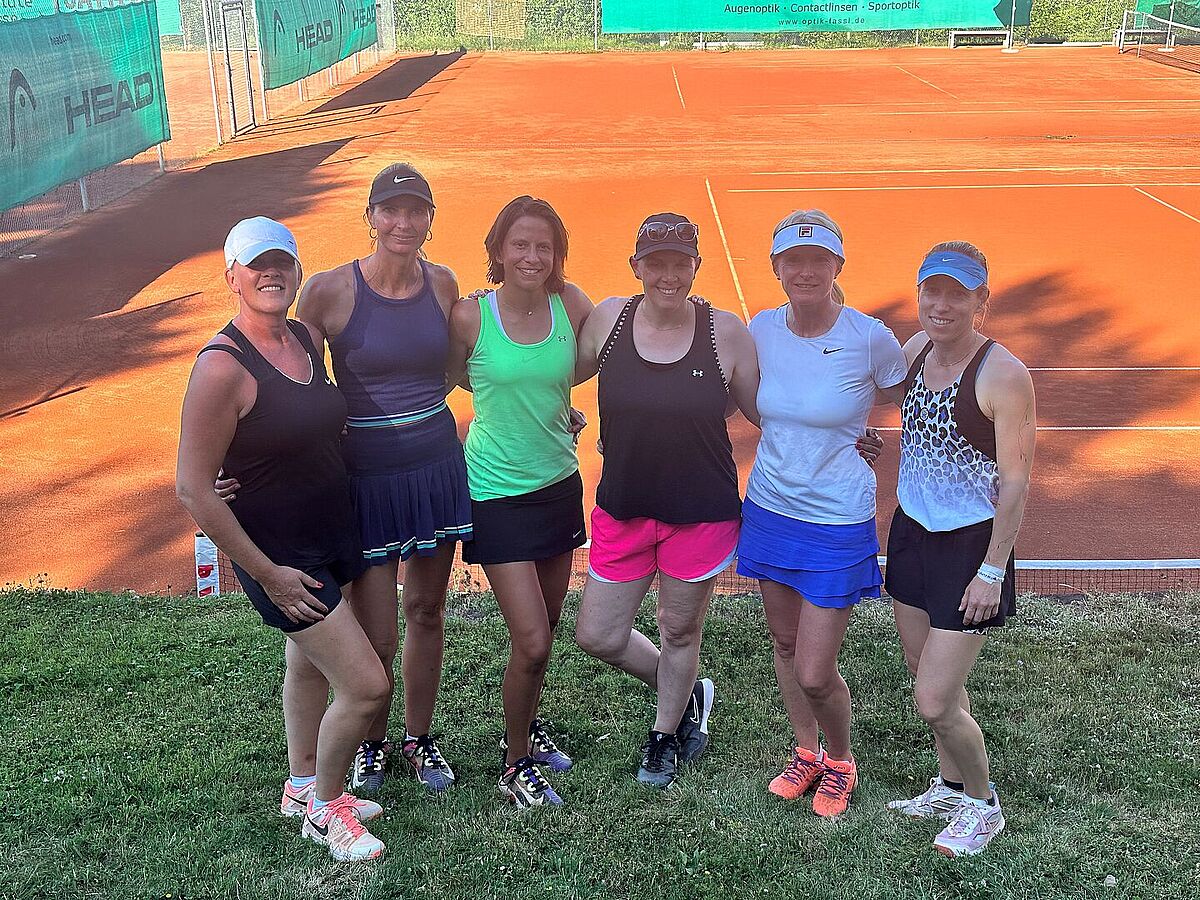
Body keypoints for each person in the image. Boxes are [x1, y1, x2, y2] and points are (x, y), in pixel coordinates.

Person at [216, 164, 472, 796]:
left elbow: (456, 370)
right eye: (391, 209)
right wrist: (234, 457)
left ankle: (419, 738)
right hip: (363, 479)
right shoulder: (328, 291)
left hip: (434, 468)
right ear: (371, 217)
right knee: (377, 635)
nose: (403, 222)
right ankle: (372, 744)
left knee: (428, 611)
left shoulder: (443, 284)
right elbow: (290, 377)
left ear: (430, 219)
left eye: (416, 210)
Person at [177, 217, 389, 862]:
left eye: (281, 262)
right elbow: (193, 488)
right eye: (256, 264)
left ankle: (301, 786)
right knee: (366, 686)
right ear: (232, 276)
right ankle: (327, 809)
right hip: (281, 558)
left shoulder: (301, 338)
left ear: (296, 271)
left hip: (329, 533)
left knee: (308, 663)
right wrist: (267, 574)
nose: (270, 273)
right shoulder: (221, 367)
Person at [573, 213, 759, 788]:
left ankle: (664, 735)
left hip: (700, 511)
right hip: (624, 505)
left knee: (680, 630)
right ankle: (689, 692)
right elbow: (553, 371)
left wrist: (846, 428)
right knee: (598, 635)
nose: (669, 275)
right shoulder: (609, 319)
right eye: (656, 263)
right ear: (636, 266)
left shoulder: (725, 332)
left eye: (681, 263)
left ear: (696, 266)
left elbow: (763, 410)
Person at [738, 210, 908, 818]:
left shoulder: (870, 337)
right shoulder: (761, 329)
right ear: (776, 267)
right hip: (770, 508)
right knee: (784, 644)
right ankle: (806, 751)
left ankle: (840, 759)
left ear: (838, 265)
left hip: (836, 519)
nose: (806, 271)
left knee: (814, 669)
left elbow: (910, 394)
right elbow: (752, 403)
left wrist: (872, 437)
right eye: (794, 260)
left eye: (818, 260)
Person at [884, 242, 1035, 857]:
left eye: (958, 294)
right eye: (933, 292)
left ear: (982, 302)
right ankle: (949, 787)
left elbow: (1017, 480)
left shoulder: (1002, 374)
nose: (942, 305)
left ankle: (982, 802)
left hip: (970, 545)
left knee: (934, 699)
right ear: (919, 295)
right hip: (912, 531)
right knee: (924, 671)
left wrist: (992, 570)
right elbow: (908, 422)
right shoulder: (916, 351)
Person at [447, 195, 594, 808]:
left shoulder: (572, 305)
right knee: (531, 640)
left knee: (548, 630)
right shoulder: (469, 316)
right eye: (520, 245)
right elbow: (452, 377)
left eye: (544, 247)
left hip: (558, 485)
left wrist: (550, 404)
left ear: (557, 255)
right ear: (498, 252)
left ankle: (527, 726)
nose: (532, 256)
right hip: (496, 494)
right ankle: (514, 763)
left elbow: (584, 364)